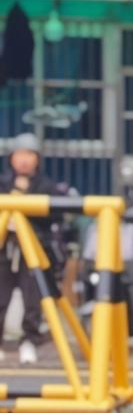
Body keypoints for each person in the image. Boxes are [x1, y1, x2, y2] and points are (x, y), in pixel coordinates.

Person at [0, 133, 72, 364]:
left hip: (33, 250)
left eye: (29, 154)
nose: (24, 160)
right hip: (4, 248)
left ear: (37, 159)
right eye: (20, 154)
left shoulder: (47, 187)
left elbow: (55, 215)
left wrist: (24, 211)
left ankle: (29, 341)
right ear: (11, 158)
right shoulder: (2, 183)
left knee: (33, 300)